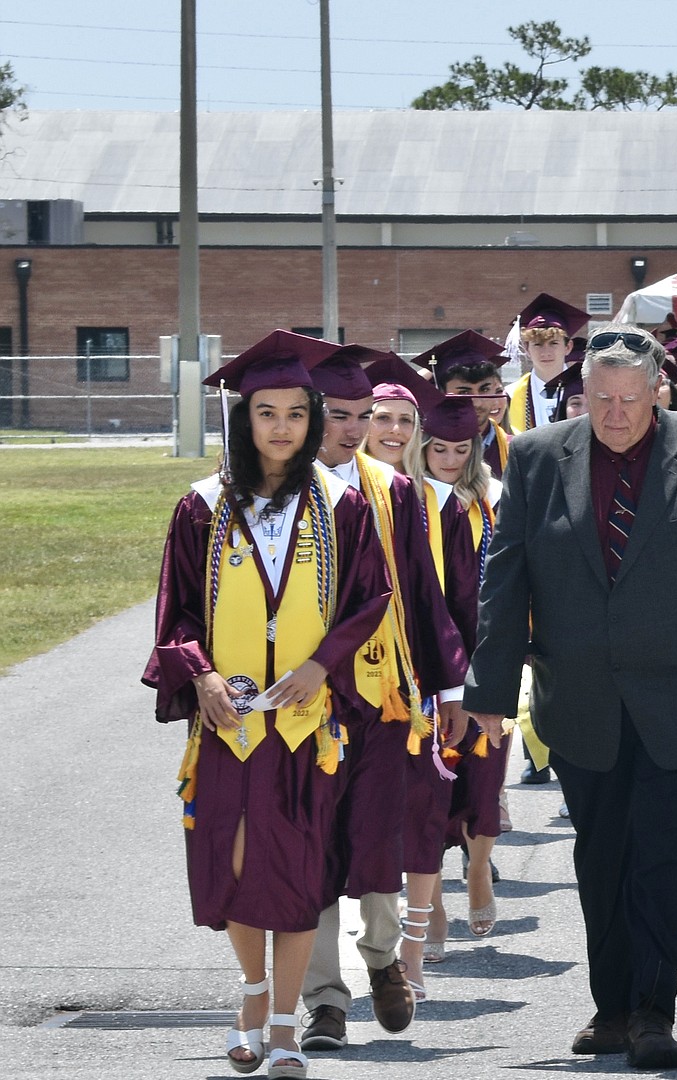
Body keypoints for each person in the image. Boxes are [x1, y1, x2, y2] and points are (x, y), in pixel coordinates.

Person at [461, 325, 677, 1070]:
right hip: (578, 698)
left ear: (657, 391)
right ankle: (610, 1008)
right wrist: (488, 686)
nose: (614, 414)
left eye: (629, 399)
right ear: (582, 394)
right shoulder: (538, 457)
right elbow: (504, 578)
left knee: (663, 852)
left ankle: (653, 1010)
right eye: (600, 399)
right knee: (600, 854)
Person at [145, 331, 395, 1080]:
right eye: (265, 412)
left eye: (294, 411)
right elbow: (178, 609)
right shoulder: (202, 507)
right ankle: (252, 996)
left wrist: (323, 665)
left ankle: (284, 1025)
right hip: (228, 724)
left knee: (296, 868)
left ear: (313, 416)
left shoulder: (341, 504)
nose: (281, 426)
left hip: (302, 723)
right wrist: (201, 677)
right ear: (242, 419)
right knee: (232, 865)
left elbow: (371, 596)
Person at [297, 346, 468, 1049]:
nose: (350, 427)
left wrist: (451, 681)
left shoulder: (394, 492)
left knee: (375, 840)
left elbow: (425, 596)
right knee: (307, 847)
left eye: (360, 416)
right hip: (300, 700)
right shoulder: (279, 489)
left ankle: (382, 959)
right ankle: (323, 1002)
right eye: (337, 415)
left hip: (380, 695)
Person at [398, 390, 506, 980]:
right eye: (438, 448)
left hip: (486, 657)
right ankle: (432, 904)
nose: (448, 458)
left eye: (460, 449)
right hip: (421, 662)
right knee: (426, 784)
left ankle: (481, 863)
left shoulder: (492, 498)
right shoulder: (400, 500)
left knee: (486, 770)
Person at [422, 330, 513, 477]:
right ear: (441, 392)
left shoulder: (514, 449)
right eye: (464, 392)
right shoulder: (422, 450)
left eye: (484, 389)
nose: (476, 402)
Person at [505, 293, 591, 434]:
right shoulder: (511, 396)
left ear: (568, 347)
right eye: (538, 344)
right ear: (527, 349)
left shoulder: (587, 390)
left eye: (553, 343)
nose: (546, 352)